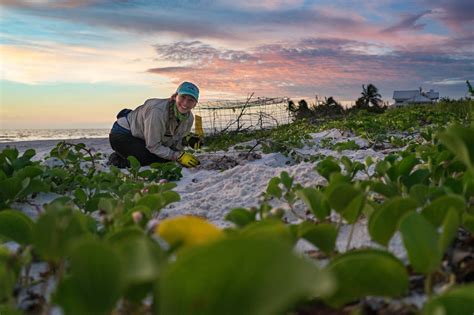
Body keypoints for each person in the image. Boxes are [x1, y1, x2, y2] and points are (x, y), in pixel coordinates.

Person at [108, 81, 201, 168]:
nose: (185, 103)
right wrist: (178, 156)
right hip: (123, 133)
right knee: (153, 160)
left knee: (165, 158)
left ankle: (127, 153)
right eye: (183, 97)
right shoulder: (158, 111)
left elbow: (174, 145)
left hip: (143, 138)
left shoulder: (189, 118)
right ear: (175, 96)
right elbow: (153, 146)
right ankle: (117, 158)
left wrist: (186, 141)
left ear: (195, 104)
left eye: (190, 100)